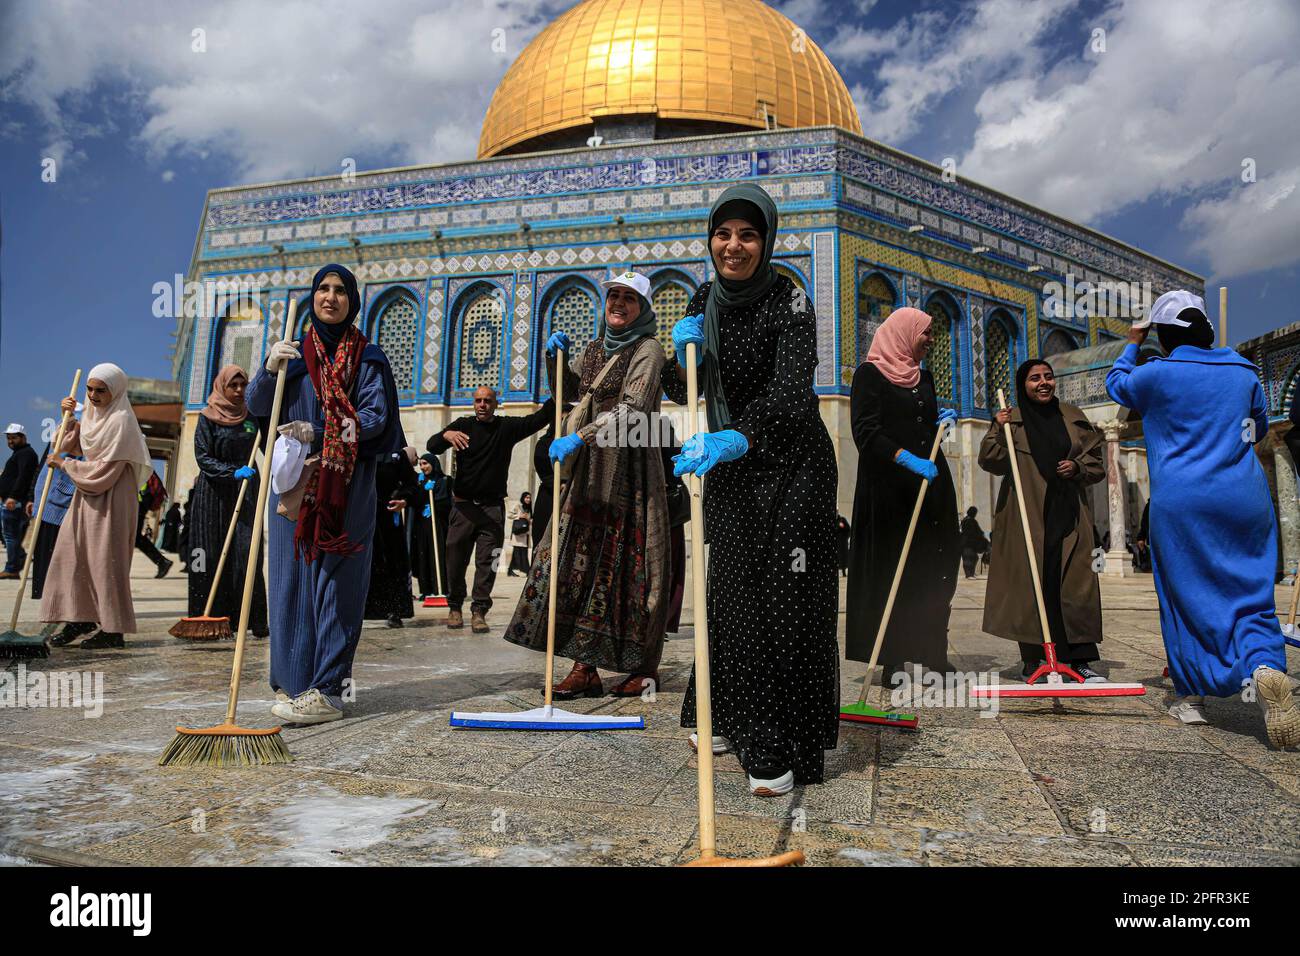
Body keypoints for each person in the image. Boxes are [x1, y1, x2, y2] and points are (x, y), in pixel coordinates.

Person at [665, 184, 839, 796]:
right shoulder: (706, 296)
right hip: (733, 465)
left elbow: (793, 393)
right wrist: (678, 352)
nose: (733, 246)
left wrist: (737, 437)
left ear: (765, 241)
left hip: (793, 465)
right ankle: (730, 718)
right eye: (723, 234)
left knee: (782, 598)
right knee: (731, 592)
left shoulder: (790, 301)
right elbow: (683, 381)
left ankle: (777, 744)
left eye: (747, 234)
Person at [1107, 290, 1299, 746]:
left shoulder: (1157, 375)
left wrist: (1135, 340)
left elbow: (1117, 383)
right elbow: (1259, 427)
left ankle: (1192, 695)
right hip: (1244, 497)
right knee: (1251, 593)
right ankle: (1264, 663)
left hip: (1183, 502)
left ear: (1166, 335)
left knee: (1186, 597)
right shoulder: (1244, 372)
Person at [504, 270, 671, 698]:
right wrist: (552, 360)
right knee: (582, 561)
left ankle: (643, 667)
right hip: (589, 474)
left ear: (643, 309)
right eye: (613, 295)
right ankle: (585, 666)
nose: (618, 304)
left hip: (631, 469)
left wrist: (580, 435)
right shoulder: (595, 348)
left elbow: (634, 407)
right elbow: (564, 391)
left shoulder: (648, 348)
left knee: (635, 567)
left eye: (629, 299)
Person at [247, 264, 400, 725]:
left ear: (352, 301)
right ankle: (293, 683)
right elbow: (255, 408)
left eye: (340, 291)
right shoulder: (293, 356)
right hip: (294, 487)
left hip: (345, 488)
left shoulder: (368, 359)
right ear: (312, 297)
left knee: (337, 584)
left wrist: (320, 431)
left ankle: (329, 689)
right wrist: (268, 369)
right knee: (290, 580)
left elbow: (377, 420)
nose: (329, 298)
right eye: (322, 289)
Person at [845, 307, 959, 689]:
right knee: (894, 572)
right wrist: (905, 458)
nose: (929, 341)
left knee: (932, 570)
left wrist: (943, 424)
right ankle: (894, 658)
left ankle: (932, 655)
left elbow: (925, 426)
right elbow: (865, 431)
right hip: (890, 493)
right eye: (925, 333)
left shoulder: (923, 377)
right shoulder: (869, 375)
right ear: (905, 332)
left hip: (929, 489)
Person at [979, 359, 1108, 682]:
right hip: (1029, 516)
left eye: (1048, 377)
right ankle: (1034, 660)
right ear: (1023, 385)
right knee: (1033, 584)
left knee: (1073, 585)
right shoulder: (1012, 422)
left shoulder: (1073, 417)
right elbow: (990, 460)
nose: (1043, 383)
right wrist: (997, 426)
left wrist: (1076, 468)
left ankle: (1078, 660)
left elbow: (1096, 464)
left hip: (1069, 515)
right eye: (1035, 378)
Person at [42, 364, 153, 648]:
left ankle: (113, 629)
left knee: (106, 561)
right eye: (89, 389)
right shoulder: (90, 415)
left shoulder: (121, 422)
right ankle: (79, 618)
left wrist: (66, 466)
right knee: (73, 554)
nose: (93, 395)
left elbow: (104, 471)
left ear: (114, 391)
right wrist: (66, 419)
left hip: (112, 497)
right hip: (86, 495)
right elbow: (69, 445)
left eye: (100, 390)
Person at [427, 386, 553, 633]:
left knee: (490, 562)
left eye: (487, 401)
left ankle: (479, 610)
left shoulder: (505, 429)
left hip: (492, 509)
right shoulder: (462, 425)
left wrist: (558, 395)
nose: (482, 405)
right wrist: (446, 436)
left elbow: (536, 420)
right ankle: (454, 606)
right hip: (463, 508)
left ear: (496, 404)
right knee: (454, 560)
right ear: (473, 404)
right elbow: (432, 446)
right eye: (478, 401)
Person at [187, 365, 267, 636]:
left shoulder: (252, 418)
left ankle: (250, 619)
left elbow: (269, 445)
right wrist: (230, 472)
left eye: (243, 385)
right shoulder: (207, 418)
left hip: (244, 491)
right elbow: (202, 456)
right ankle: (208, 616)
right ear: (222, 386)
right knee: (206, 555)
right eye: (233, 386)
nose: (239, 391)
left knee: (246, 554)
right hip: (213, 494)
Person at [364, 446, 420, 627]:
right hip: (360, 515)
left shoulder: (395, 454)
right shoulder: (354, 446)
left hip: (388, 516)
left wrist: (404, 499)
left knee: (392, 562)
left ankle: (395, 610)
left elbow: (412, 484)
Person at [410, 452, 451, 599]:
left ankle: (440, 588)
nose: (422, 467)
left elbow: (447, 503)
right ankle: (425, 590)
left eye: (425, 464)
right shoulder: (419, 482)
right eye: (421, 464)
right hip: (422, 523)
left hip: (437, 523)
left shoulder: (443, 480)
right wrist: (422, 491)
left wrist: (434, 500)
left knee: (437, 554)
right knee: (423, 554)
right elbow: (414, 501)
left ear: (433, 464)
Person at [0, 423, 38, 579]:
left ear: (23, 437)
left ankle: (12, 568)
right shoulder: (19, 454)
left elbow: (23, 478)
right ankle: (19, 557)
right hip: (10, 500)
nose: (10, 441)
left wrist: (13, 497)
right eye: (8, 438)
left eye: (14, 438)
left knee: (10, 535)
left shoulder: (26, 454)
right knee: (9, 534)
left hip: (15, 502)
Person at [134, 470, 174, 578]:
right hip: (140, 502)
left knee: (134, 537)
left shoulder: (137, 462)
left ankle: (162, 562)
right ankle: (162, 562)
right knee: (134, 538)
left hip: (138, 502)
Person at [505, 491, 531, 576]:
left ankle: (510, 570)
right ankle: (527, 571)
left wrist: (529, 519)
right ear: (523, 498)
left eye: (529, 498)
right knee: (518, 552)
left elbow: (530, 520)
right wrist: (519, 516)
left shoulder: (529, 508)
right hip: (517, 533)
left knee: (521, 552)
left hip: (525, 533)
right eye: (526, 497)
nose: (528, 499)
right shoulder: (518, 506)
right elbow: (509, 515)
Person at [959, 507, 987, 578]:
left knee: (973, 558)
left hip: (968, 543)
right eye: (975, 512)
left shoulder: (966, 520)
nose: (975, 514)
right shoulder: (969, 521)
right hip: (968, 543)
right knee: (969, 558)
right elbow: (974, 531)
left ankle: (971, 573)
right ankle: (969, 574)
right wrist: (981, 534)